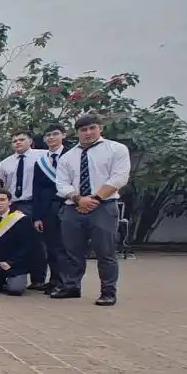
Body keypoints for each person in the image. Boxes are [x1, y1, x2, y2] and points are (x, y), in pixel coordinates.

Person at [52, 113, 131, 306]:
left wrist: (94, 199)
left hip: (103, 207)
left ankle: (108, 291)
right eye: (83, 130)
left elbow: (119, 177)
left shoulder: (116, 149)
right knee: (72, 252)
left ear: (100, 128)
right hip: (73, 207)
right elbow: (61, 183)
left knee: (106, 252)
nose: (87, 133)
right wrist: (79, 199)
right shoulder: (68, 156)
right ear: (77, 132)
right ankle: (72, 286)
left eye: (91, 128)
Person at [0, 130, 47, 290]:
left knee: (38, 243)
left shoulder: (42, 156)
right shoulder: (5, 163)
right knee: (12, 240)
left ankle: (38, 279)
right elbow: (1, 186)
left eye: (21, 139)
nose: (17, 143)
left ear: (30, 140)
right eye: (15, 141)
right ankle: (13, 272)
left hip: (33, 203)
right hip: (13, 204)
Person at [33, 123, 72, 294]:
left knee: (65, 247)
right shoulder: (41, 161)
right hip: (47, 207)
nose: (51, 138)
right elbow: (37, 190)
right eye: (47, 135)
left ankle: (66, 281)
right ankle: (54, 279)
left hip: (68, 204)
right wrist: (37, 216)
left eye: (55, 134)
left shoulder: (72, 156)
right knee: (51, 246)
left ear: (63, 135)